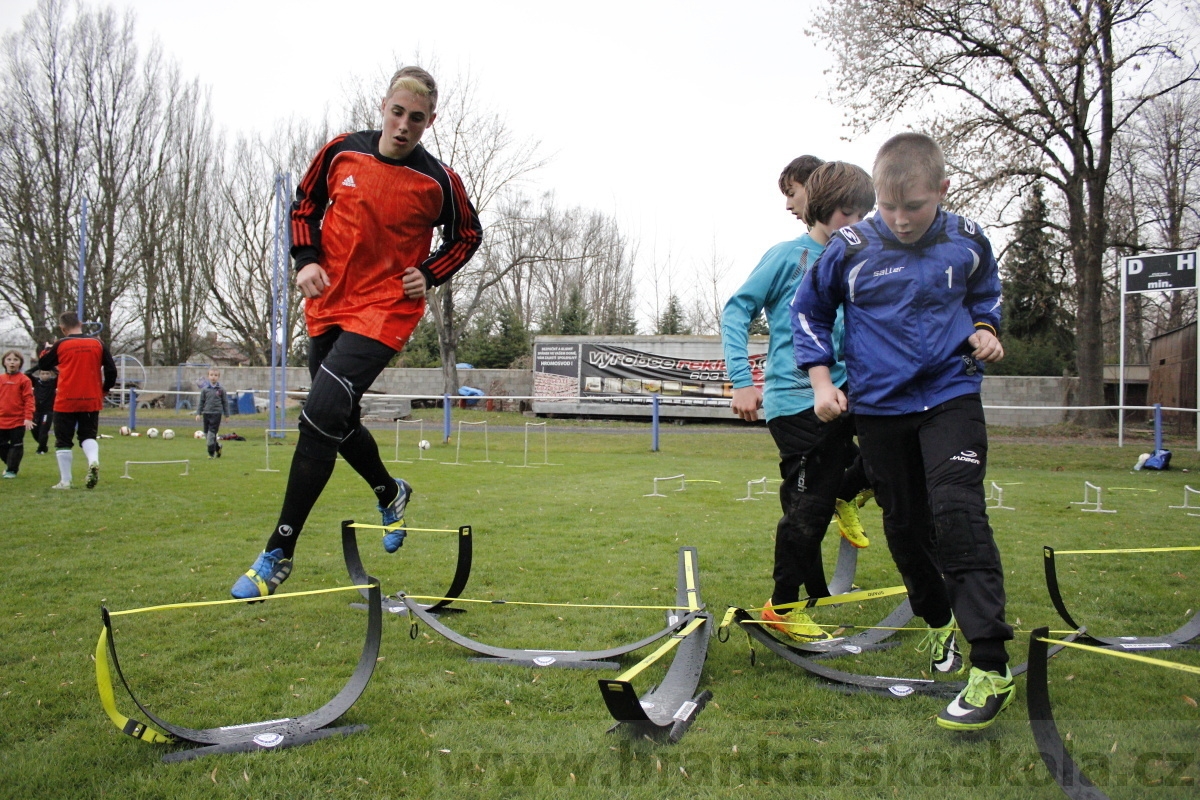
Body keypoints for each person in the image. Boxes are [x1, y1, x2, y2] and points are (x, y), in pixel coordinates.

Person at [231, 65, 482, 600]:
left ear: (430, 121)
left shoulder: (439, 181)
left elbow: (468, 235)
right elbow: (304, 206)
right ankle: (390, 492)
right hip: (327, 303)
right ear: (384, 107)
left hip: (386, 310)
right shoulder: (342, 151)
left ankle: (279, 552)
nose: (404, 125)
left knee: (319, 414)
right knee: (335, 417)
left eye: (417, 118)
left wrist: (431, 272)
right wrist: (304, 260)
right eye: (397, 112)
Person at [791, 133, 1012, 731]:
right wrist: (819, 384)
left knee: (958, 511)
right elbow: (809, 311)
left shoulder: (967, 239)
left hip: (950, 396)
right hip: (881, 408)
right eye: (888, 207)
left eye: (912, 206)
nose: (899, 219)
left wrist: (986, 327)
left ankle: (991, 666)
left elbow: (985, 293)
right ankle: (940, 627)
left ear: (941, 191)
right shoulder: (851, 247)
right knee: (907, 526)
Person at [721, 159, 876, 641]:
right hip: (796, 402)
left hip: (853, 395)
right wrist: (741, 380)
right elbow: (736, 310)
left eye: (793, 191)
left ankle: (845, 494)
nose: (788, 204)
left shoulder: (859, 256)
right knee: (807, 507)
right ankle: (784, 607)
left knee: (896, 456)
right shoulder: (788, 256)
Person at [35, 312, 118, 489]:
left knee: (63, 440)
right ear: (81, 323)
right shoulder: (97, 343)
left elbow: (43, 365)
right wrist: (104, 390)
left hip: (66, 398)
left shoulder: (61, 344)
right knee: (87, 435)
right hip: (90, 398)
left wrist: (47, 349)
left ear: (62, 328)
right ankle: (93, 461)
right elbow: (111, 371)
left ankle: (65, 481)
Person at [0, 350, 35, 478]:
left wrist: (28, 417)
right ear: (4, 362)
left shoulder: (24, 380)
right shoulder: (1, 379)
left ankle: (11, 470)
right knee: (2, 445)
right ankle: (11, 464)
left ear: (20, 363)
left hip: (18, 420)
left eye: (15, 360)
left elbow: (29, 400)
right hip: (2, 420)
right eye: (9, 360)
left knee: (16, 445)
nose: (12, 362)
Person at [195, 368, 231, 459]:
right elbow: (201, 402)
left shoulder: (221, 390)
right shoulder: (205, 390)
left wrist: (227, 415)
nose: (213, 377)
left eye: (215, 375)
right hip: (206, 414)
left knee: (211, 435)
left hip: (216, 414)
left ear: (218, 377)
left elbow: (225, 402)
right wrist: (198, 413)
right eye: (211, 375)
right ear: (208, 376)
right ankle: (218, 447)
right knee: (207, 435)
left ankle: (211, 454)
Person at [27, 347, 57, 455]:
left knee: (43, 431)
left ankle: (40, 449)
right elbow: (27, 373)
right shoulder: (36, 382)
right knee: (35, 431)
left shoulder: (53, 382)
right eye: (43, 373)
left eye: (47, 373)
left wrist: (50, 364)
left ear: (50, 374)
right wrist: (40, 364)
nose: (45, 375)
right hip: (36, 411)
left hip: (47, 411)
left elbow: (60, 373)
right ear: (39, 374)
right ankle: (43, 446)